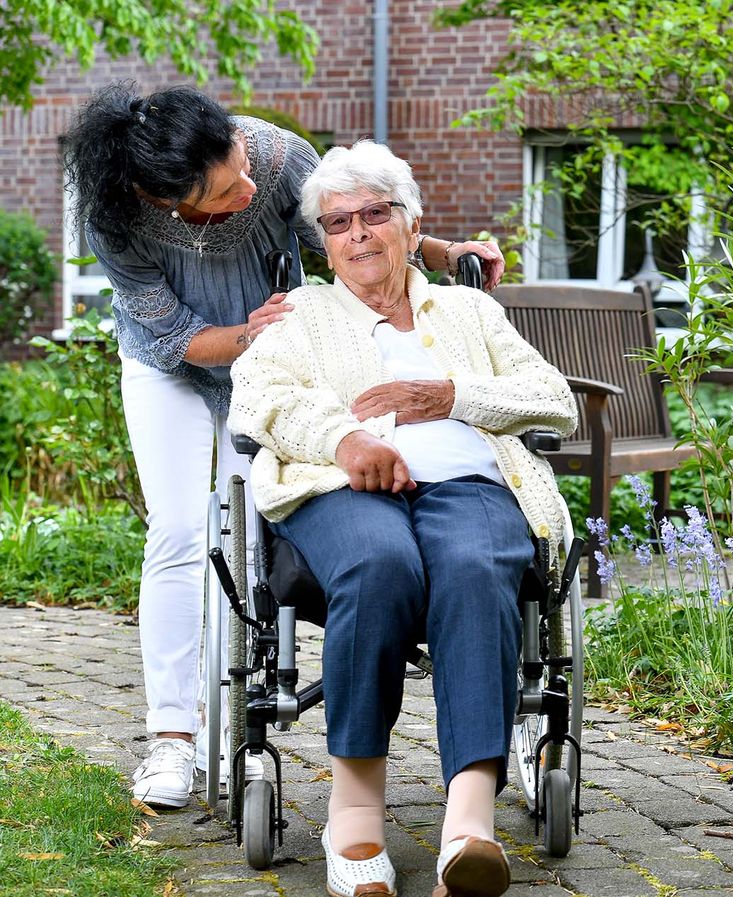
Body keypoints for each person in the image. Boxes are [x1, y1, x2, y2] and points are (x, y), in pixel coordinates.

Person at [62, 82, 507, 811]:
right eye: (224, 190)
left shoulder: (272, 153)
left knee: (262, 519)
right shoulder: (118, 217)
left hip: (278, 360)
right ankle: (172, 737)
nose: (247, 186)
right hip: (173, 360)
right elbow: (175, 336)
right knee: (177, 528)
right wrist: (247, 332)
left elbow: (350, 222)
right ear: (164, 197)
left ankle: (242, 704)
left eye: (239, 165)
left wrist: (441, 247)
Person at [227, 140, 576, 897]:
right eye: (338, 222)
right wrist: (344, 438)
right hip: (340, 487)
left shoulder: (467, 310)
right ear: (322, 244)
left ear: (411, 227)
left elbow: (553, 399)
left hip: (468, 485)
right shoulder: (302, 315)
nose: (357, 233)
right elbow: (257, 400)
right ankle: (353, 810)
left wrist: (450, 396)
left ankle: (468, 826)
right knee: (379, 565)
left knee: (477, 566)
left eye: (374, 214)